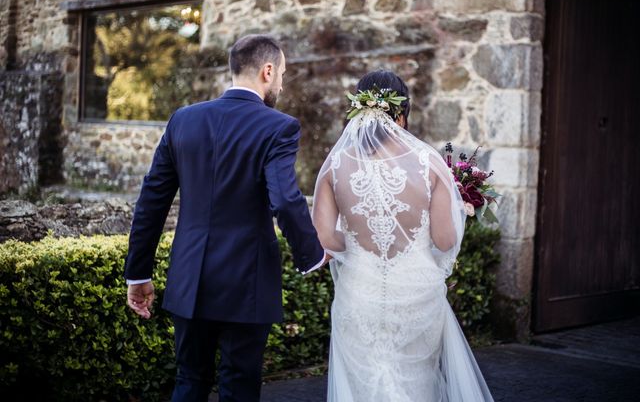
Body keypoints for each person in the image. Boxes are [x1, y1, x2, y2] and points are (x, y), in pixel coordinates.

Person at [124, 34, 327, 402]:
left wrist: (138, 273)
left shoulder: (182, 120)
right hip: (246, 282)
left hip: (189, 277)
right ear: (267, 71)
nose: (281, 82)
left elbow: (152, 200)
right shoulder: (279, 127)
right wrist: (311, 256)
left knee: (190, 379)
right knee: (238, 384)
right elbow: (284, 198)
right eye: (281, 73)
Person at [312, 70, 493, 401]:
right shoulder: (429, 162)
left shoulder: (335, 164)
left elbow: (323, 237)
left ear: (358, 110)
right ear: (402, 114)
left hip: (359, 294)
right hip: (417, 294)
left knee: (364, 386)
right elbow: (444, 241)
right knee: (416, 385)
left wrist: (357, 245)